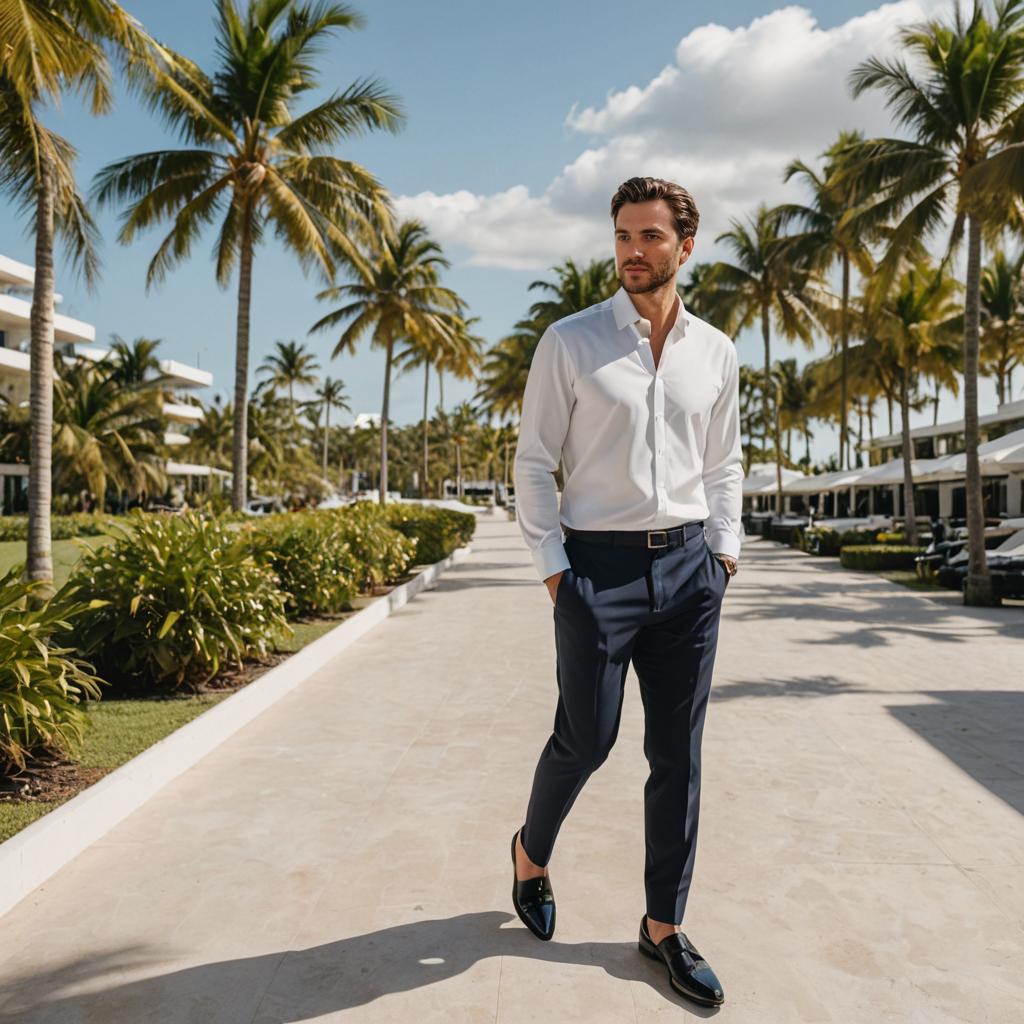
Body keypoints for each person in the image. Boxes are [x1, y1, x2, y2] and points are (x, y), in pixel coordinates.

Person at [510, 176, 743, 1007]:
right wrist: (553, 570)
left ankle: (663, 928)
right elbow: (534, 463)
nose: (633, 252)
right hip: (595, 571)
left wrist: (724, 555)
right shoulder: (569, 342)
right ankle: (531, 854)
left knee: (678, 756)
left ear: (686, 246)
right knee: (588, 736)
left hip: (689, 570)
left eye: (650, 236)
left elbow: (723, 464)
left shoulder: (716, 352)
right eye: (622, 236)